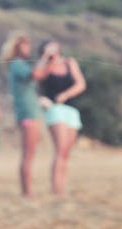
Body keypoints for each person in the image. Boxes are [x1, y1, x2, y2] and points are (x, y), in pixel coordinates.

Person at [33, 40, 86, 196]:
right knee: (60, 150)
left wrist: (66, 95)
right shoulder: (45, 66)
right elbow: (36, 76)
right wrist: (45, 59)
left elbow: (81, 84)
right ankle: (56, 189)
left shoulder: (69, 62)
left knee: (66, 152)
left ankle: (62, 187)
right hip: (55, 110)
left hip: (71, 109)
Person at [1, 30, 43, 197]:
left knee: (29, 153)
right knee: (28, 153)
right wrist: (46, 58)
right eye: (25, 43)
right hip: (27, 113)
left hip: (29, 112)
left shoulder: (18, 64)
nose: (28, 47)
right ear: (16, 46)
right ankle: (27, 191)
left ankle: (27, 190)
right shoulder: (17, 64)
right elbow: (36, 75)